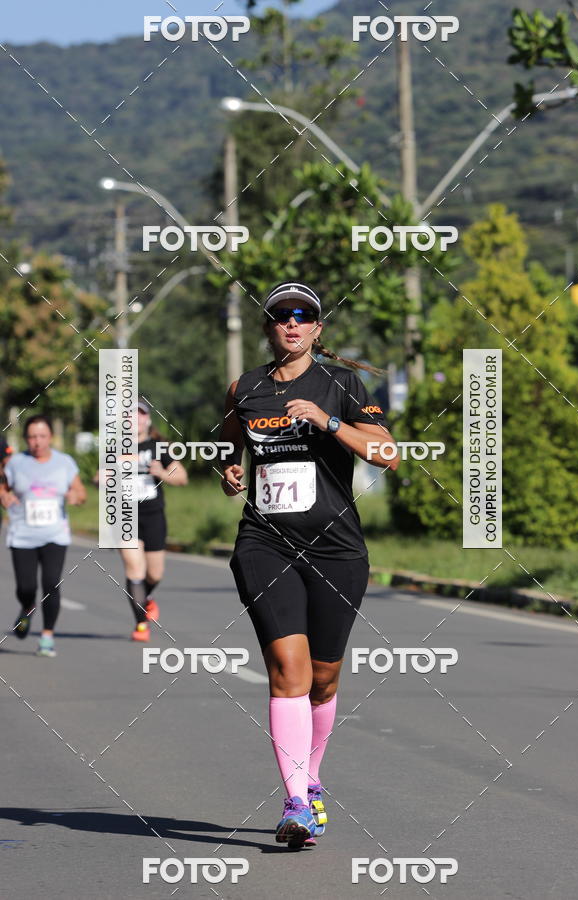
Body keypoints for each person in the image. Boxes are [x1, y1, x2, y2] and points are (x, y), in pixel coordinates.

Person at [220, 282, 398, 848]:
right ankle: (295, 801)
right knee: (287, 671)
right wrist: (228, 468)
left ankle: (312, 778)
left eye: (304, 317)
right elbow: (229, 439)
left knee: (323, 679)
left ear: (318, 329)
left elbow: (387, 452)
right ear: (269, 327)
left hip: (336, 550)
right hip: (264, 543)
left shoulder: (342, 385)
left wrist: (328, 422)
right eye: (281, 317)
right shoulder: (246, 387)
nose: (291, 325)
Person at [0, 415, 86, 657]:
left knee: (51, 584)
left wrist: (76, 497)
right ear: (26, 438)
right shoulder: (16, 463)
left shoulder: (64, 462)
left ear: (50, 437)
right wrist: (4, 496)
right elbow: (3, 487)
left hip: (55, 534)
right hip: (22, 534)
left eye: (42, 436)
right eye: (32, 437)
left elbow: (80, 491)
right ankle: (27, 607)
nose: (37, 442)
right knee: (26, 587)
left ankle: (47, 636)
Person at [116, 399, 188, 642]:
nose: (134, 420)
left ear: (147, 419)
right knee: (135, 569)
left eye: (139, 415)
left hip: (153, 514)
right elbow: (98, 476)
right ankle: (141, 625)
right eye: (129, 416)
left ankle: (144, 601)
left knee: (154, 574)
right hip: (124, 515)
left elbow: (182, 478)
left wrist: (161, 473)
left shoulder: (158, 447)